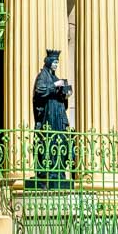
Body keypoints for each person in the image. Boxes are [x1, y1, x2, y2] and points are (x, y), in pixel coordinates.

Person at [31, 49, 72, 188]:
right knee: (49, 140)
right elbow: (40, 91)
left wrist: (65, 94)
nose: (56, 65)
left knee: (60, 140)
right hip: (48, 114)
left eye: (57, 62)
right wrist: (54, 86)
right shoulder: (42, 76)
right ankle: (47, 172)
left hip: (58, 113)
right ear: (48, 62)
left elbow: (60, 96)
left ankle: (58, 171)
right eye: (54, 62)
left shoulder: (55, 77)